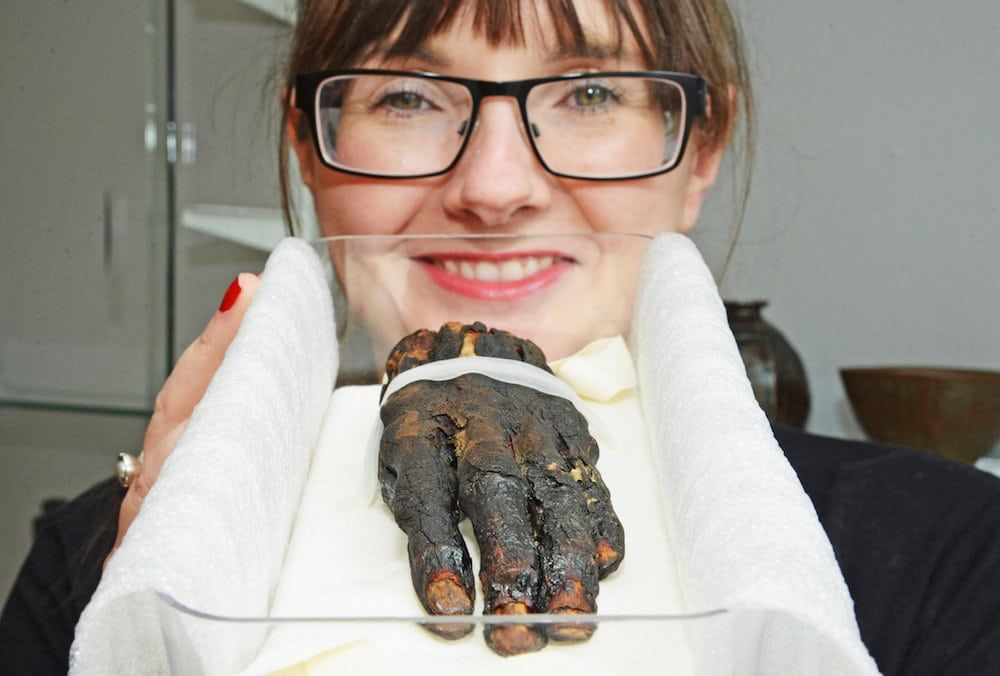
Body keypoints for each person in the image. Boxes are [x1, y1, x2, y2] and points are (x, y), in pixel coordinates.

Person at [3, 0, 1000, 673]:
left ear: (697, 152)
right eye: (405, 96)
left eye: (589, 94)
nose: (492, 188)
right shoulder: (100, 561)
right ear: (306, 146)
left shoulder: (952, 559)